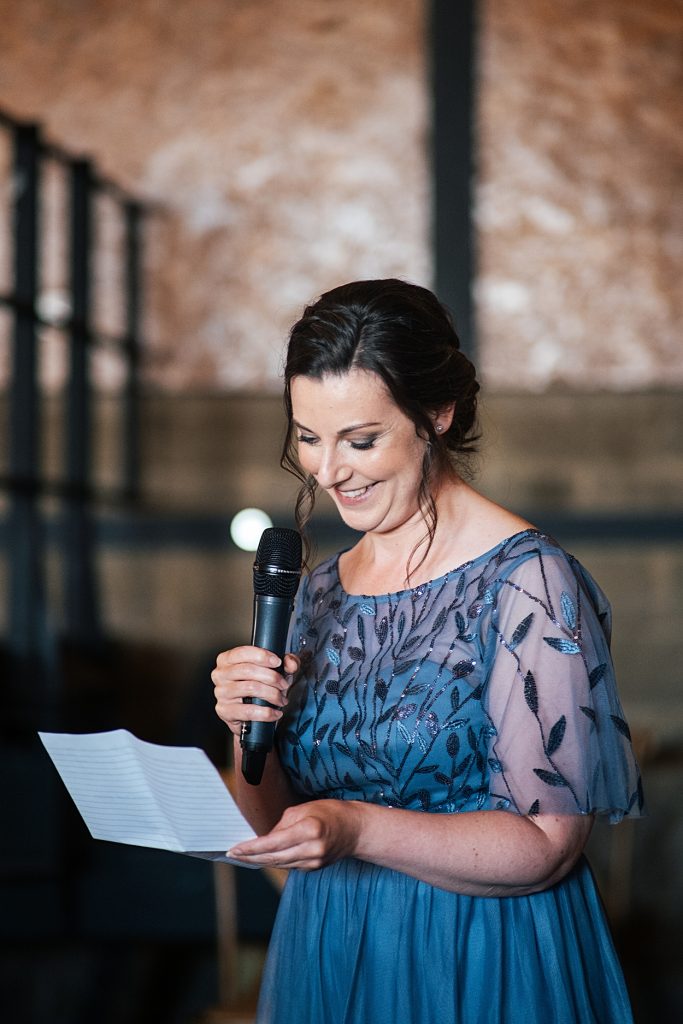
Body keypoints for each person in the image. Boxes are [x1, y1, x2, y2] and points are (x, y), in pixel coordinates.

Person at [212, 278, 643, 1024]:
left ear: (436, 414)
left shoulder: (528, 584)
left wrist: (357, 827)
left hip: (479, 956)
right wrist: (245, 728)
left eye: (361, 439)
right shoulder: (315, 593)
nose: (327, 471)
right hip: (331, 945)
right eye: (308, 437)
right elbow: (272, 824)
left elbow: (549, 844)